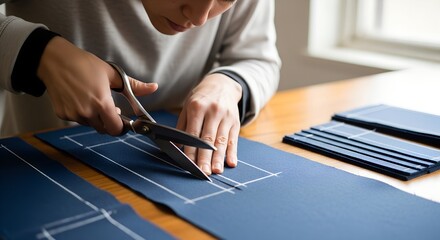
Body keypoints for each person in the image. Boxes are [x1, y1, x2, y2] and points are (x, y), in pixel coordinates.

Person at [0, 0, 281, 175]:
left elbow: (257, 57)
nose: (199, 18)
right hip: (30, 164)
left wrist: (230, 83)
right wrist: (38, 53)